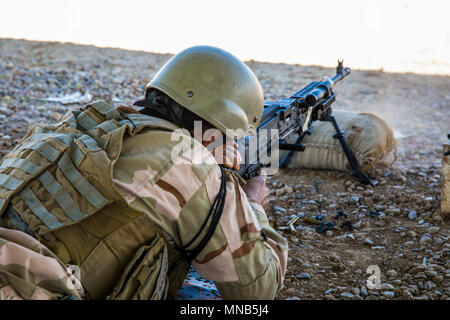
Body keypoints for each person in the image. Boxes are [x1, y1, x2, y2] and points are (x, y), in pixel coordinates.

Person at [0, 46, 288, 300]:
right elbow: (257, 289)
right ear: (213, 136)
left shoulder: (73, 125)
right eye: (231, 139)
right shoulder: (189, 163)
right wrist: (251, 205)